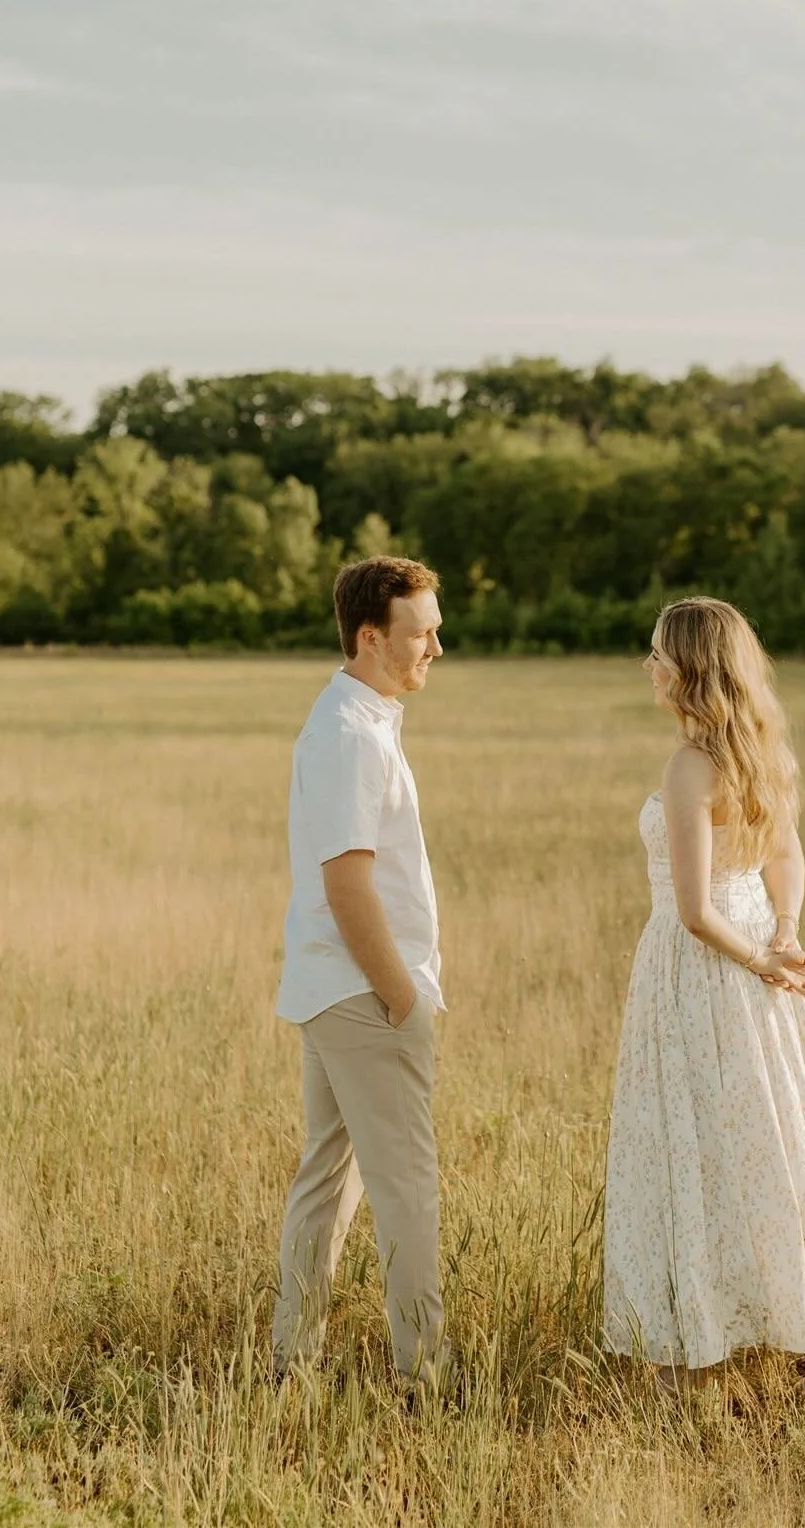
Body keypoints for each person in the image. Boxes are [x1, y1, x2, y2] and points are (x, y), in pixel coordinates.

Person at [602, 597, 805, 1393]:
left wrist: (766, 960)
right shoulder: (759, 753)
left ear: (692, 670)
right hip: (761, 958)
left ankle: (687, 1356)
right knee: (782, 1146)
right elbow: (785, 858)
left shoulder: (689, 765)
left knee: (693, 1152)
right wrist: (785, 935)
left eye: (659, 654)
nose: (649, 666)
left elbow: (695, 912)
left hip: (702, 975)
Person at [272, 555, 450, 1387]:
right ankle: (424, 1376)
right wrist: (402, 995)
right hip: (361, 995)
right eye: (421, 634)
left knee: (325, 1181)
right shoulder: (349, 733)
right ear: (371, 636)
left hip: (332, 987)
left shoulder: (360, 718)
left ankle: (292, 1362)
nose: (435, 649)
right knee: (407, 1188)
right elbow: (348, 886)